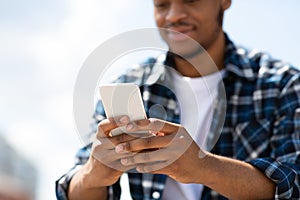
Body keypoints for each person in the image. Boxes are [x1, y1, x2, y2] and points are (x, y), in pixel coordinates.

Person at [56, 0, 300, 199]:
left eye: (190, 0)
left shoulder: (282, 85)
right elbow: (78, 189)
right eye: (162, 5)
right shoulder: (129, 86)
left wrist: (204, 167)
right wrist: (94, 174)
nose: (173, 15)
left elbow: (295, 185)